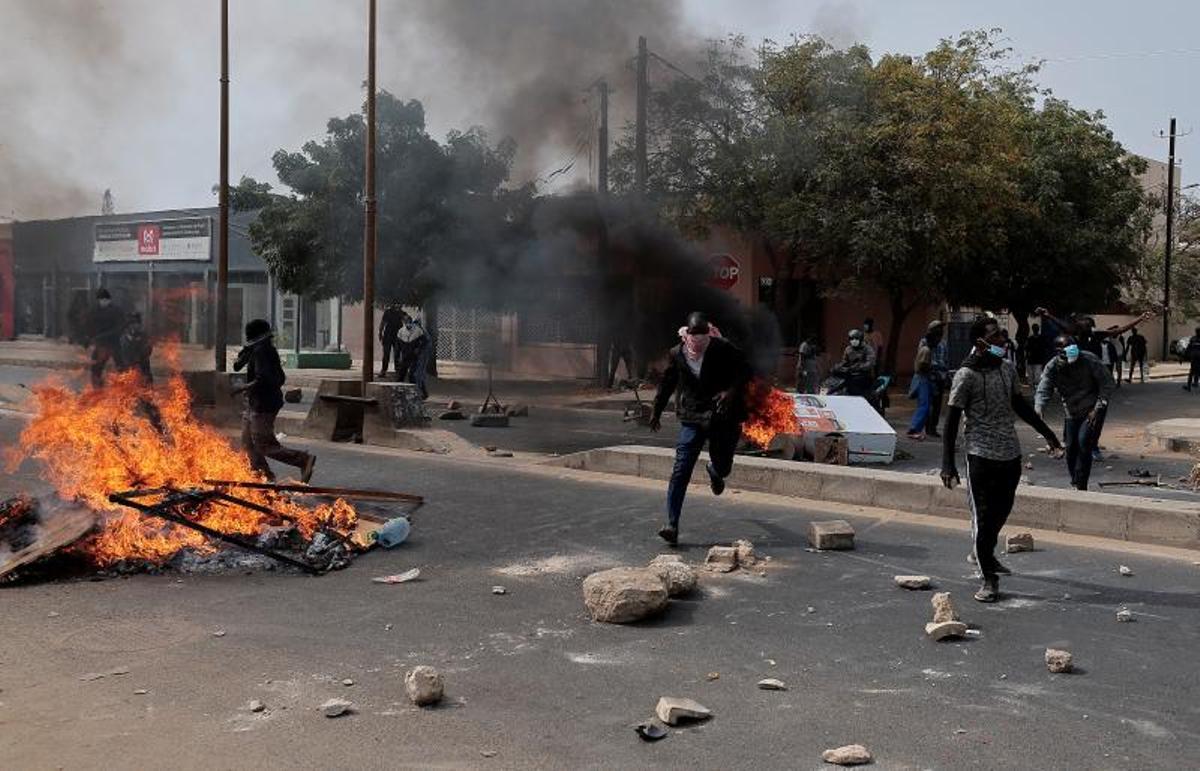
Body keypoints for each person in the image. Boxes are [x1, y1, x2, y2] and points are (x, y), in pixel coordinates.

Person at [941, 317, 1063, 603]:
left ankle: (985, 553)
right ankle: (988, 578)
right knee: (983, 517)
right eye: (995, 336)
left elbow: (1020, 406)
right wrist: (948, 463)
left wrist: (1049, 435)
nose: (1002, 340)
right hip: (980, 453)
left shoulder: (1007, 369)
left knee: (1002, 510)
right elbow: (951, 420)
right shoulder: (965, 375)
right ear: (980, 342)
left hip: (1009, 451)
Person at [650, 312, 750, 545]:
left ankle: (715, 471)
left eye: (703, 337)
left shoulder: (722, 347)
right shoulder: (677, 354)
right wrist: (656, 411)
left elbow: (745, 370)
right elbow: (668, 382)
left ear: (708, 334)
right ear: (687, 334)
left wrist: (730, 392)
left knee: (724, 466)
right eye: (694, 336)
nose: (698, 342)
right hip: (692, 416)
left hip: (722, 415)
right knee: (680, 469)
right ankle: (672, 524)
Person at [233, 319, 316, 483]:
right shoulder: (257, 349)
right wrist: (246, 350)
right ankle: (263, 477)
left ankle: (302, 460)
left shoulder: (262, 351)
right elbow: (237, 366)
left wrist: (242, 387)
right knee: (248, 444)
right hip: (255, 402)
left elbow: (262, 379)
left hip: (264, 404)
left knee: (264, 444)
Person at [1034, 335, 1115, 490]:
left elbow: (1107, 384)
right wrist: (1039, 408)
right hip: (1071, 410)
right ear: (1058, 351)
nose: (1072, 353)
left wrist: (1098, 407)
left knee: (1084, 442)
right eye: (1066, 349)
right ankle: (1075, 479)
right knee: (1071, 447)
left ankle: (1081, 483)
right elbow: (1044, 388)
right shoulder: (1053, 366)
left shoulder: (1089, 360)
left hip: (1092, 409)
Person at [906, 321, 944, 441]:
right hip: (924, 378)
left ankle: (923, 428)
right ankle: (914, 429)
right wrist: (935, 368)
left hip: (931, 377)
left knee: (929, 405)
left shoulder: (940, 344)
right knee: (924, 405)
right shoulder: (926, 348)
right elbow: (922, 365)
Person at [87, 288, 126, 388]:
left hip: (114, 343)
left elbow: (120, 328)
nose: (103, 302)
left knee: (121, 367)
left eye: (105, 300)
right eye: (101, 300)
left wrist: (102, 336)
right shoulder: (95, 310)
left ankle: (126, 389)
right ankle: (97, 390)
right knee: (96, 368)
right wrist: (89, 337)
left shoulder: (116, 311)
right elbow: (90, 325)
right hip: (100, 344)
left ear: (109, 300)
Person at [834, 328, 875, 397]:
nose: (854, 341)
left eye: (856, 339)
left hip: (864, 375)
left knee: (853, 385)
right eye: (852, 339)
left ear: (861, 339)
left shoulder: (868, 349)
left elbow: (870, 364)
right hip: (850, 374)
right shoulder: (848, 349)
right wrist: (838, 367)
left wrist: (857, 367)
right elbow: (844, 362)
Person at [117, 312, 154, 384]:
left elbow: (148, 346)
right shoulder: (126, 332)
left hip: (140, 358)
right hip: (131, 359)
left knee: (145, 375)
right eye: (132, 322)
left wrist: (143, 356)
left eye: (135, 321)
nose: (134, 325)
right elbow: (124, 346)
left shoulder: (142, 332)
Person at [378, 301, 406, 379]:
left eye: (399, 304)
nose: (397, 305)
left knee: (397, 354)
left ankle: (398, 371)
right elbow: (383, 323)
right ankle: (383, 371)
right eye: (396, 304)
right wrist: (380, 332)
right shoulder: (388, 312)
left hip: (398, 336)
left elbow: (407, 322)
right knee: (386, 354)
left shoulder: (402, 313)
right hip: (388, 336)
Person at [1025, 323, 1051, 388]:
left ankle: (1036, 387)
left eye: (1037, 328)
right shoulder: (1030, 339)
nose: (1036, 329)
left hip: (1038, 359)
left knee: (1037, 375)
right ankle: (1031, 388)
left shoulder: (1041, 338)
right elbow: (1027, 348)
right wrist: (1026, 357)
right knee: (1030, 375)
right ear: (1033, 329)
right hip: (1031, 359)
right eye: (1035, 328)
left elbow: (1044, 348)